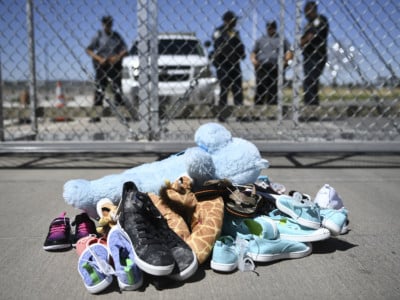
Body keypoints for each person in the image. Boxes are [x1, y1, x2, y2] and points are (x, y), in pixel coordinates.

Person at [86, 15, 128, 122]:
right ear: (102, 24)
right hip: (102, 66)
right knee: (99, 91)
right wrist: (99, 58)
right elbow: (89, 50)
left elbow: (125, 50)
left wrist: (117, 57)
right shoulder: (98, 35)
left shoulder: (116, 36)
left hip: (114, 66)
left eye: (109, 23)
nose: (107, 25)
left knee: (117, 90)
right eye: (105, 23)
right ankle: (96, 115)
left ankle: (122, 115)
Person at [212, 10, 246, 121]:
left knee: (237, 89)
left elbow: (240, 46)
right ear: (227, 21)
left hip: (235, 64)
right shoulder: (219, 31)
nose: (235, 22)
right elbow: (217, 45)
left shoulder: (235, 33)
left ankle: (240, 114)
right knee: (224, 89)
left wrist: (241, 53)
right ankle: (222, 115)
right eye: (233, 20)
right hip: (223, 65)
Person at [250, 21, 291, 105]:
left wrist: (286, 61)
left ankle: (272, 111)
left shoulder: (281, 39)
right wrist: (254, 61)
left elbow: (289, 51)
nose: (270, 29)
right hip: (262, 66)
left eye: (272, 27)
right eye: (269, 27)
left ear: (275, 28)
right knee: (260, 88)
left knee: (273, 89)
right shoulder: (261, 39)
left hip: (275, 66)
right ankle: (257, 110)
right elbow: (253, 52)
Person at [300, 1, 329, 106]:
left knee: (310, 81)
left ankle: (310, 107)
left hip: (317, 56)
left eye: (306, 12)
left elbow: (309, 37)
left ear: (311, 10)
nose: (305, 15)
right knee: (310, 81)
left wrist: (299, 44)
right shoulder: (309, 24)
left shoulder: (319, 20)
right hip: (308, 56)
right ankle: (311, 106)